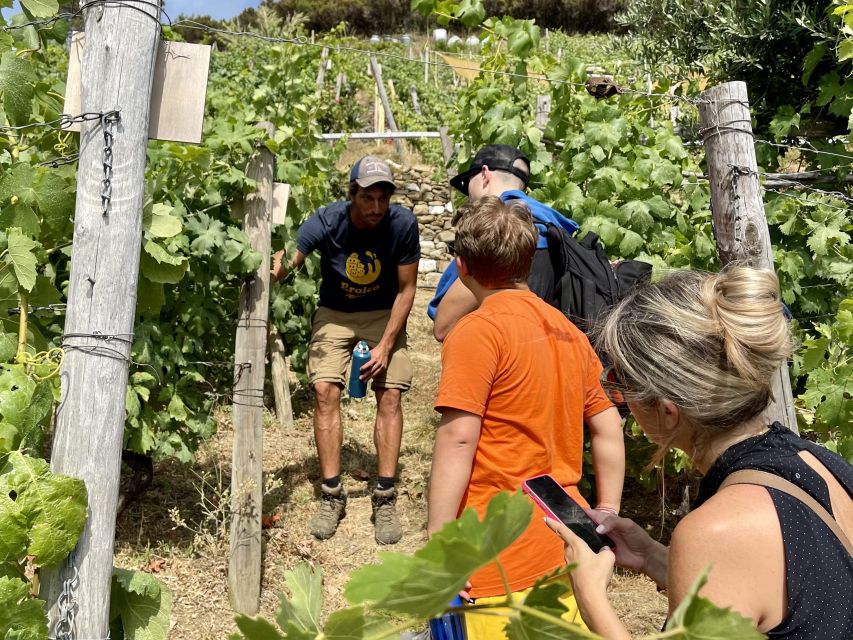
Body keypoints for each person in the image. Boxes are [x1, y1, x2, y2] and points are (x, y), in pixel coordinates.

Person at [546, 266, 853, 639]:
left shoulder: (715, 533)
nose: (619, 397)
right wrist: (653, 557)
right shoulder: (818, 462)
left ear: (667, 411)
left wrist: (590, 598)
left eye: (619, 381)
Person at [426, 196, 625, 638]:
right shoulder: (567, 330)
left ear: (461, 267)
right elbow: (608, 425)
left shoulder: (477, 331)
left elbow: (459, 439)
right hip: (564, 542)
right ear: (528, 262)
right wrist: (606, 511)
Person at [271, 156, 419, 545]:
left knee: (390, 395)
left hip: (384, 313)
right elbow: (292, 258)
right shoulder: (328, 220)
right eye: (368, 198)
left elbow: (407, 289)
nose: (376, 207)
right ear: (352, 194)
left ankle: (384, 496)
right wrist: (270, 267)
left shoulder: (402, 225)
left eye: (383, 199)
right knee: (325, 391)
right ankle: (332, 494)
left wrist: (385, 345)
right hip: (335, 313)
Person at [428, 144, 580, 341]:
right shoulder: (552, 228)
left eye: (468, 184)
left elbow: (444, 326)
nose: (468, 196)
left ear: (485, 174)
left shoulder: (497, 233)